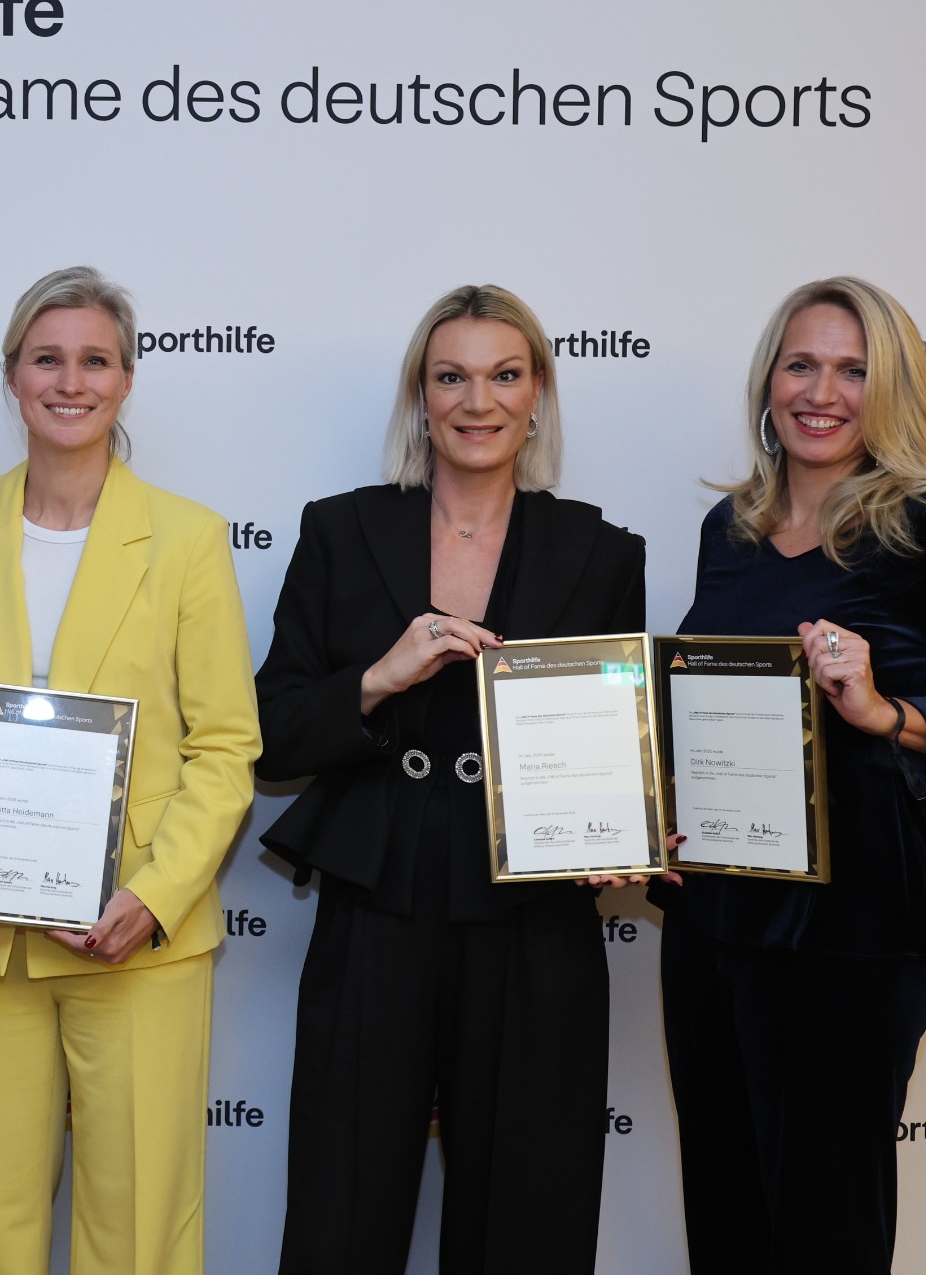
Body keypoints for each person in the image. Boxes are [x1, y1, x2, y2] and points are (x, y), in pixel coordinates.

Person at [653, 276, 926, 1273]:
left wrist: (886, 710)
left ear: (891, 389)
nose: (821, 392)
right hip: (715, 915)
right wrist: (660, 816)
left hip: (854, 924)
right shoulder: (730, 529)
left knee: (822, 1229)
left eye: (853, 370)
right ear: (768, 379)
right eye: (800, 364)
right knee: (723, 1214)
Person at [256, 285, 646, 1274]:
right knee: (341, 1209)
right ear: (419, 396)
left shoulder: (601, 552)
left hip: (536, 913)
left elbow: (619, 736)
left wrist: (626, 831)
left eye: (504, 375)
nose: (478, 401)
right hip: (376, 898)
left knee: (530, 1212)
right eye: (451, 377)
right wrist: (379, 677)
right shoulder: (341, 530)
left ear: (537, 392)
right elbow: (270, 736)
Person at [0, 266, 259, 1275]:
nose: (70, 381)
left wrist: (154, 896)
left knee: (139, 1231)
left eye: (94, 360)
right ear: (12, 375)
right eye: (46, 359)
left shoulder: (188, 537)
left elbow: (225, 745)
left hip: (135, 932)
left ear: (127, 379)